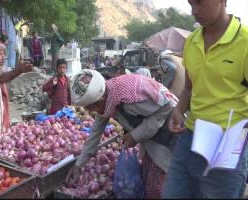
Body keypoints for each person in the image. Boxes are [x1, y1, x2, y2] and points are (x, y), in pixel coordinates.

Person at [162, 0, 248, 198]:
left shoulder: (244, 42)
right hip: (190, 138)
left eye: (200, 3)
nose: (194, 11)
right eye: (191, 3)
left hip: (228, 143)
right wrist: (178, 110)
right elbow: (189, 89)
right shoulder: (192, 42)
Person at [66, 69, 179, 198]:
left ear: (99, 100)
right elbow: (94, 134)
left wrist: (135, 135)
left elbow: (168, 106)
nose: (87, 110)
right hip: (153, 140)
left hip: (172, 133)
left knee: (164, 188)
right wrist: (78, 165)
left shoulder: (127, 98)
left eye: (88, 106)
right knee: (148, 182)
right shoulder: (107, 99)